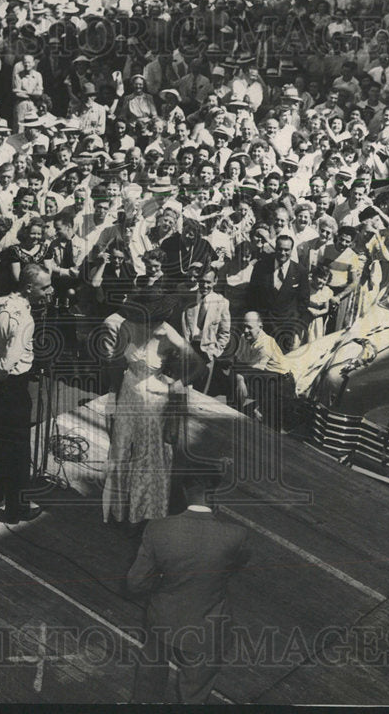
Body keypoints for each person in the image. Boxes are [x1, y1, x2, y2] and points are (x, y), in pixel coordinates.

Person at [126, 469, 251, 704]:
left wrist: (163, 583)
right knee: (194, 693)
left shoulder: (158, 528)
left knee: (148, 685)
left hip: (163, 618)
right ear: (214, 496)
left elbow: (135, 583)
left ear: (184, 493)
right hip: (208, 626)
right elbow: (236, 564)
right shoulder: (236, 535)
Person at [103, 290, 203, 530]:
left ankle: (141, 516)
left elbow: (198, 366)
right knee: (120, 451)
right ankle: (119, 511)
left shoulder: (167, 332)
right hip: (128, 392)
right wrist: (112, 399)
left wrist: (175, 387)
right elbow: (115, 364)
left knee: (148, 458)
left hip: (153, 399)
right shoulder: (126, 325)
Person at [0, 264, 53, 524]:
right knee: (18, 451)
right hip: (12, 385)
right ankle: (17, 510)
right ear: (29, 287)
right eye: (45, 287)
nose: (49, 291)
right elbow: (9, 360)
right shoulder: (25, 318)